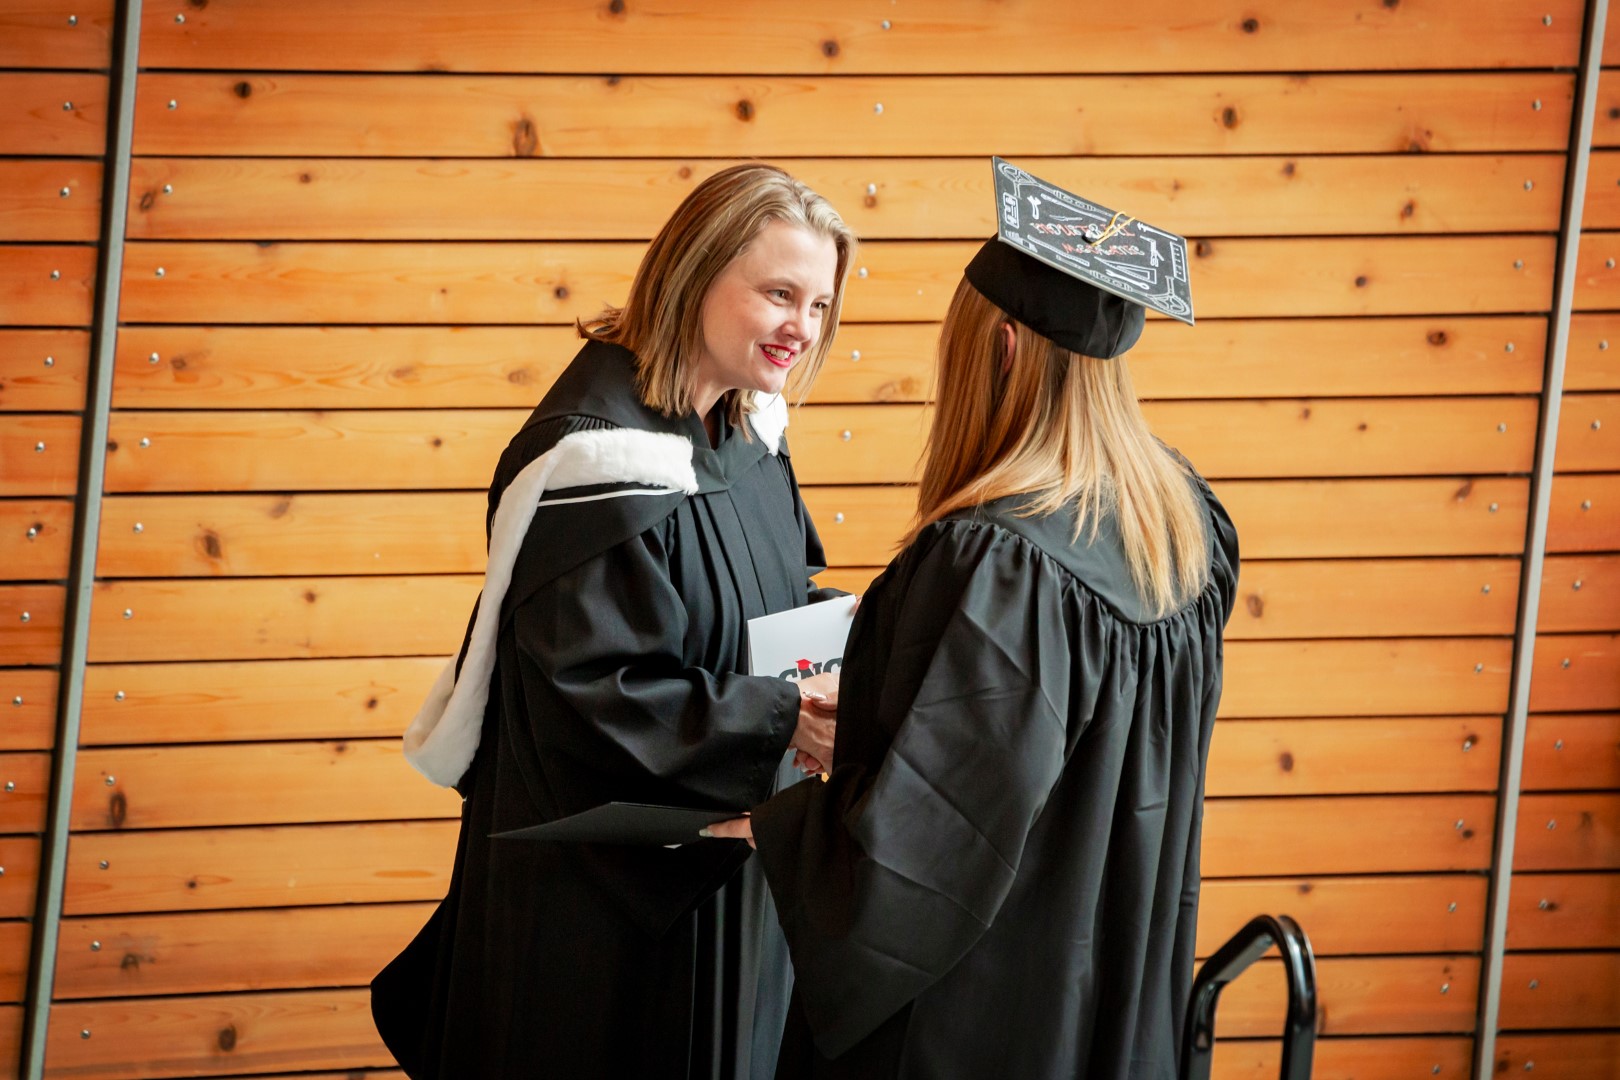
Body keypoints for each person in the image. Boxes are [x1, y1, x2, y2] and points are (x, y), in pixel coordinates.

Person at [711, 187, 1241, 1077]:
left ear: (1001, 346)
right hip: (1115, 999)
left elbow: (924, 852)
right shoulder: (1184, 523)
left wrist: (779, 830)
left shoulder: (995, 562)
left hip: (984, 1025)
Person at [371, 163, 856, 1079]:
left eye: (821, 304)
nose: (804, 325)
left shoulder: (744, 432)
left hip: (734, 871)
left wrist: (850, 652)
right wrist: (788, 717)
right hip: (606, 907)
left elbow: (780, 592)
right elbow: (598, 692)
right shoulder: (597, 461)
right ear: (695, 274)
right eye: (780, 294)